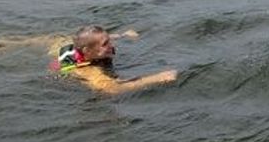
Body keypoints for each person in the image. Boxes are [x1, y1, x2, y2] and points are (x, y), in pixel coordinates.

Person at [48, 25, 177, 94]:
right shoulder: (86, 69)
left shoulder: (81, 46)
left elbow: (96, 40)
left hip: (68, 44)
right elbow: (111, 89)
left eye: (110, 41)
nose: (112, 45)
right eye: (105, 44)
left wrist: (123, 35)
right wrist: (157, 78)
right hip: (63, 61)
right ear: (87, 51)